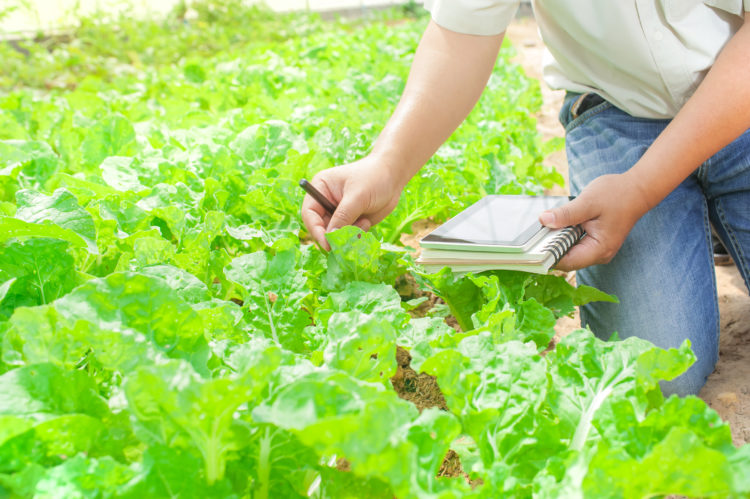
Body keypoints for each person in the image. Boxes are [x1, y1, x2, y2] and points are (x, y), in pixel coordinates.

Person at [300, 1, 750, 396]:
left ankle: (702, 212)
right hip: (623, 112)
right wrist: (387, 164)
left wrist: (643, 187)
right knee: (652, 375)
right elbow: (463, 30)